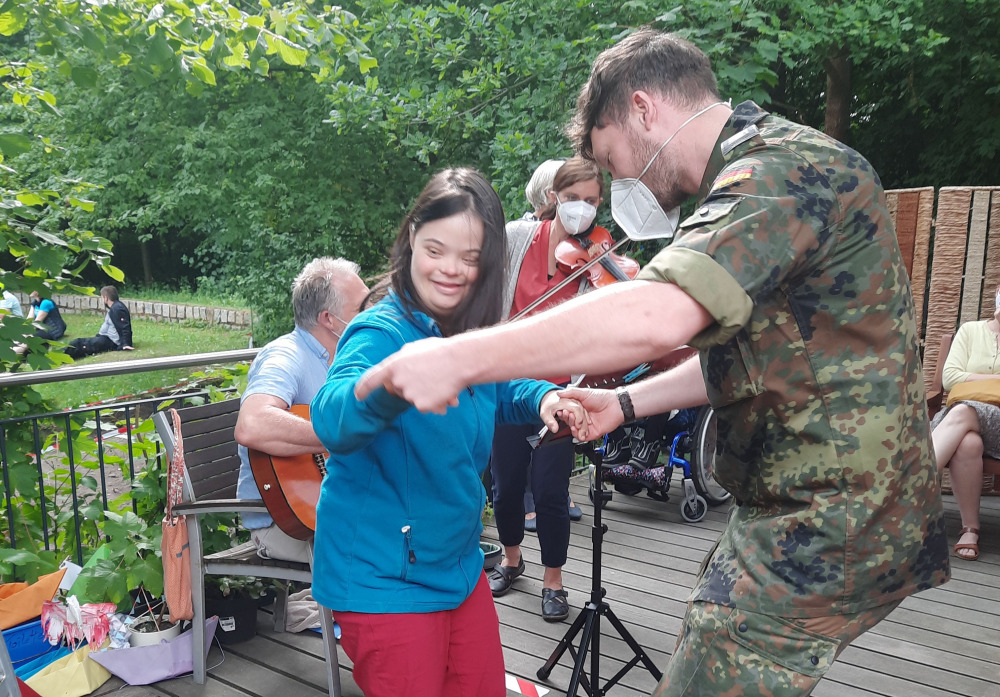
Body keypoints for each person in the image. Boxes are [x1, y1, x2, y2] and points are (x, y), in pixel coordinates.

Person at [353, 29, 951, 697]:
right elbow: (755, 359)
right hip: (831, 508)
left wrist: (459, 355)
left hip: (831, 519)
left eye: (612, 159)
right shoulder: (769, 169)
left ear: (644, 111)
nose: (618, 185)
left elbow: (656, 314)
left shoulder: (775, 173)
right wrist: (625, 403)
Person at [308, 168, 587, 697]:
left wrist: (545, 397)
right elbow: (332, 419)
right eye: (436, 249)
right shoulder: (380, 331)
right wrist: (389, 382)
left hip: (458, 567)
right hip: (384, 580)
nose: (451, 270)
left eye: (471, 256)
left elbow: (499, 386)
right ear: (412, 237)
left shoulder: (466, 330)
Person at [490, 157, 610, 622]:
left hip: (561, 391)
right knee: (505, 485)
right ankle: (512, 559)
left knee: (550, 489)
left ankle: (553, 580)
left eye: (592, 201)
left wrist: (605, 287)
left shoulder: (597, 255)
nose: (582, 208)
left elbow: (598, 332)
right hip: (506, 382)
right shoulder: (517, 238)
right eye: (573, 198)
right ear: (553, 198)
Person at [232, 257, 368, 563]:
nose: (371, 315)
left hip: (339, 507)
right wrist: (339, 437)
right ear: (329, 319)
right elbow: (252, 424)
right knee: (389, 551)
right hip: (285, 524)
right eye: (362, 308)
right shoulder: (286, 356)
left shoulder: (348, 360)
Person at [928, 284, 1000, 561]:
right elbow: (950, 378)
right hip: (962, 419)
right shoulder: (971, 331)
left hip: (989, 422)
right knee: (968, 443)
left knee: (962, 412)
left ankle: (905, 492)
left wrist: (973, 378)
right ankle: (970, 529)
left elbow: (962, 378)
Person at [64, 286, 133, 358]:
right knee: (80, 343)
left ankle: (61, 356)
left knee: (78, 344)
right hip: (105, 338)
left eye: (102, 297)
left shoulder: (118, 309)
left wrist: (126, 344)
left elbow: (125, 326)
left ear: (105, 298)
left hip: (110, 341)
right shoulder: (114, 307)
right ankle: (60, 354)